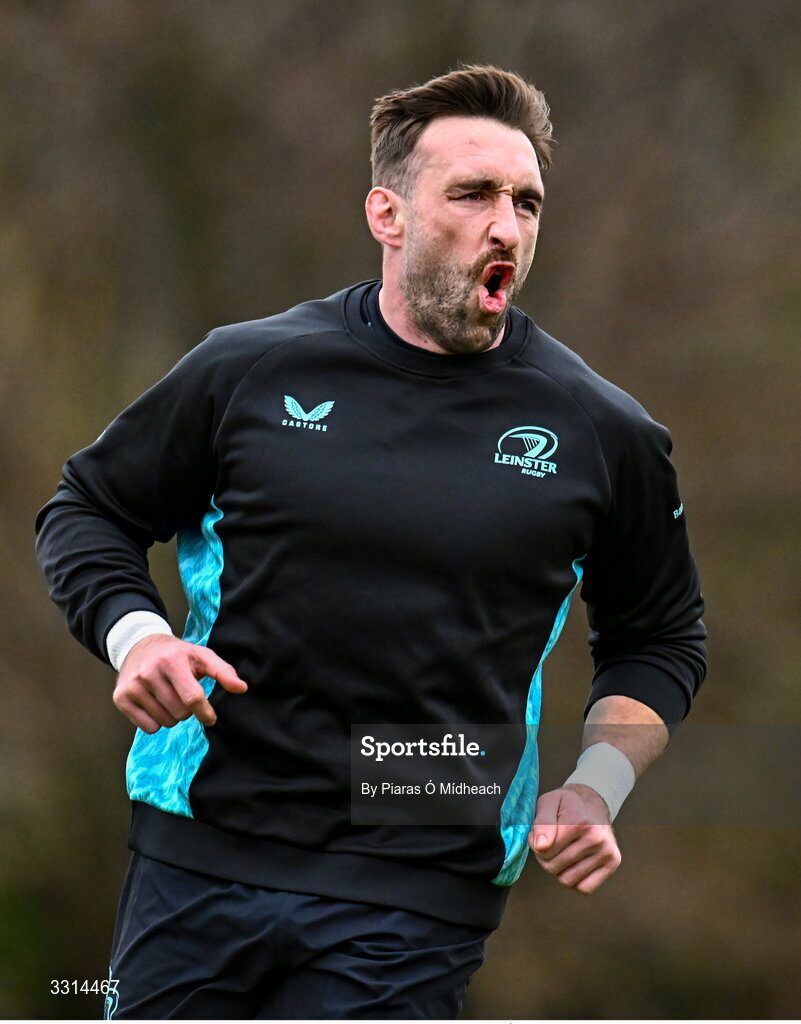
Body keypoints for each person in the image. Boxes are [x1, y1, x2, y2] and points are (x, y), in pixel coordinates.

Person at [35, 64, 706, 1020]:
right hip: (203, 843)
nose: (505, 224)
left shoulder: (604, 433)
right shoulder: (249, 370)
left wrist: (596, 786)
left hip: (420, 869)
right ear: (386, 215)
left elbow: (660, 637)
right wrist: (135, 636)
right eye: (471, 194)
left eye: (526, 202)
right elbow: (87, 507)